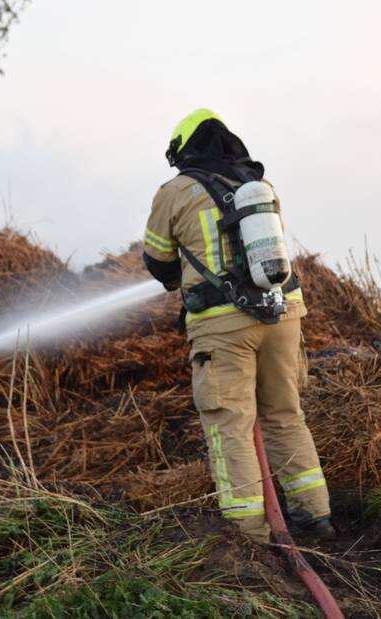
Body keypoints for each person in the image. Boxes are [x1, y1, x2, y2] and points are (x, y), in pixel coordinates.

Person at [142, 108, 334, 544]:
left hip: (222, 323)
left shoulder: (175, 191)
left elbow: (157, 261)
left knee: (229, 424)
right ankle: (316, 515)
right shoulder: (259, 188)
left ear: (184, 150)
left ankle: (247, 535)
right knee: (285, 415)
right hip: (284, 313)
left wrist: (181, 279)